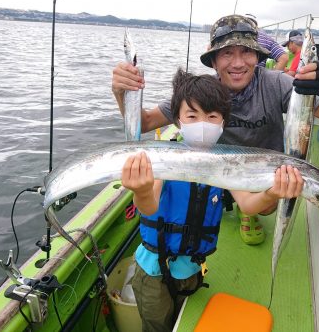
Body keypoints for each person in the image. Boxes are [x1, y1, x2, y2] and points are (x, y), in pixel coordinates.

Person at [112, 14, 319, 246]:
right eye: (227, 53)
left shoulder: (277, 83)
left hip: (263, 175)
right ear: (214, 61)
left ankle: (246, 210)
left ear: (257, 57)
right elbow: (144, 123)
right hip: (215, 170)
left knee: (266, 205)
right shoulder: (201, 94)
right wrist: (122, 91)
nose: (238, 63)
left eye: (247, 52)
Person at [121, 68, 304, 332]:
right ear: (177, 120)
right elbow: (149, 206)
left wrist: (272, 193)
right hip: (152, 272)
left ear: (223, 123)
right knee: (156, 325)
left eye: (212, 117)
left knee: (185, 318)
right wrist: (141, 190)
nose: (202, 124)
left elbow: (247, 204)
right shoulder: (162, 157)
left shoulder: (225, 163)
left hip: (191, 269)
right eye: (192, 116)